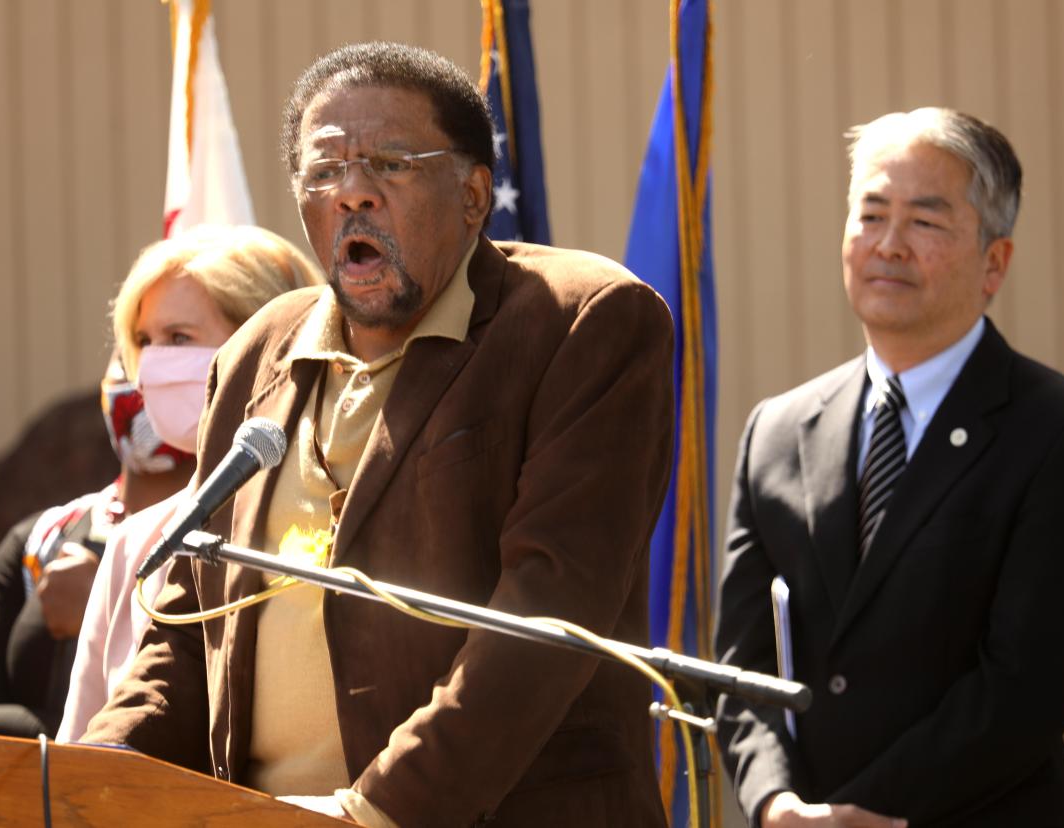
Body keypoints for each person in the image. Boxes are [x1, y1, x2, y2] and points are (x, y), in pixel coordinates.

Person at [81, 42, 674, 828]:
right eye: (324, 170)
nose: (352, 194)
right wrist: (82, 781)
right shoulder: (258, 352)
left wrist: (373, 815)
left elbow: (547, 609)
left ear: (472, 196)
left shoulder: (581, 322)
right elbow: (186, 631)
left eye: (389, 165)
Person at [714, 107, 1064, 827]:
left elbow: (1024, 688)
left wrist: (863, 811)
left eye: (926, 223)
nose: (889, 245)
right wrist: (776, 803)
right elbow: (741, 669)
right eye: (870, 215)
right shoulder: (777, 432)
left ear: (994, 262)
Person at [56, 225, 317, 742]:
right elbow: (75, 758)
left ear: (265, 340)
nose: (151, 363)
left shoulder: (331, 512)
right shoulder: (134, 542)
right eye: (143, 341)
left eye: (178, 338)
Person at [0, 352, 196, 738]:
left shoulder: (238, 543)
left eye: (178, 342)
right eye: (132, 347)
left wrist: (105, 609)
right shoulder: (44, 538)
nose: (143, 373)